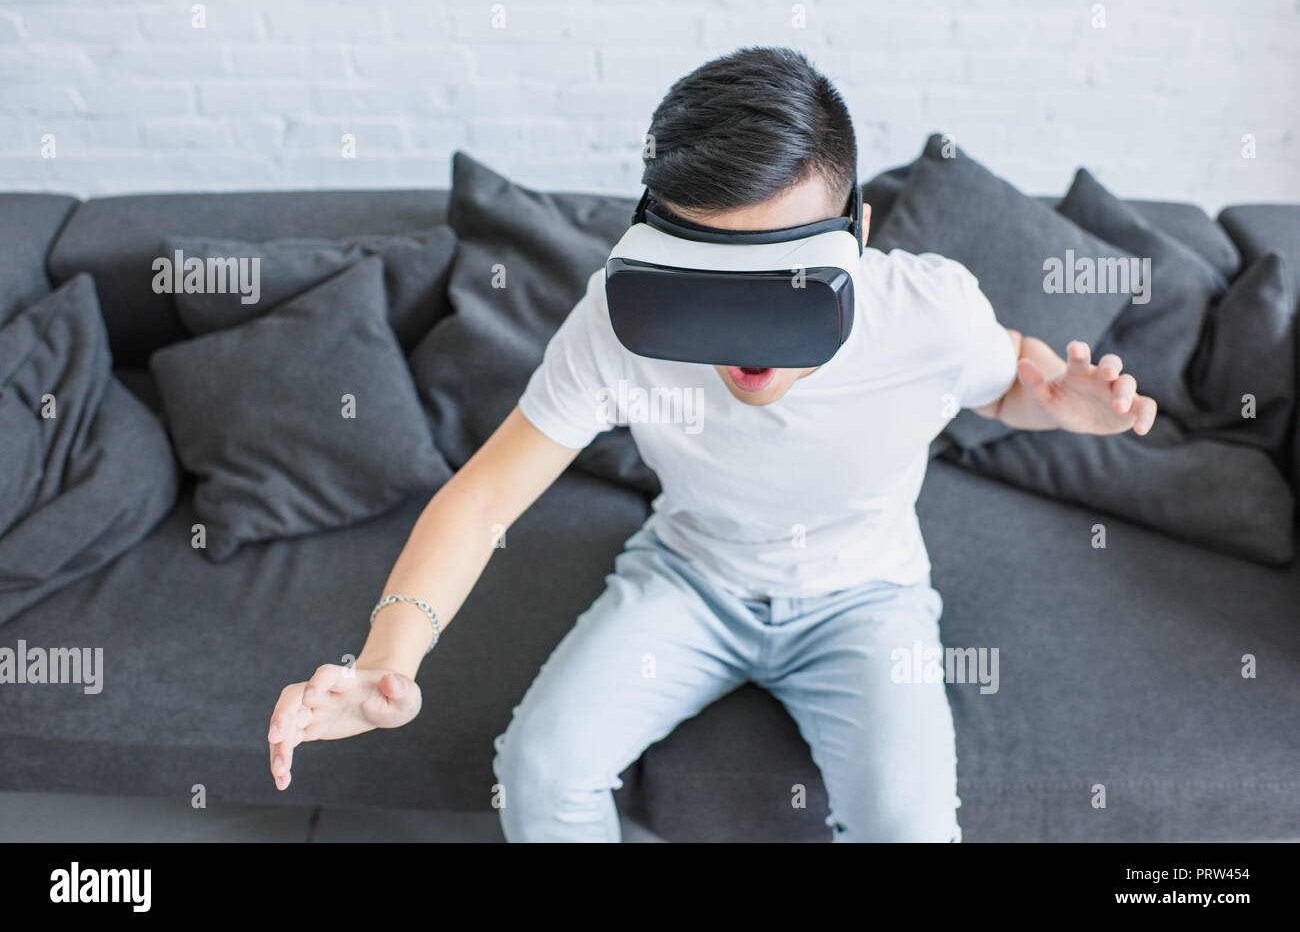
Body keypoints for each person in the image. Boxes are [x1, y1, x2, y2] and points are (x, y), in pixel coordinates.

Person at [267, 47, 1157, 842]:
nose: (747, 339)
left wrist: (1064, 407)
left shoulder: (926, 311)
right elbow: (485, 496)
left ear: (859, 236)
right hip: (690, 576)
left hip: (866, 596)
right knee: (537, 776)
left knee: (910, 828)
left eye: (784, 281)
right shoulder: (618, 324)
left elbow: (1011, 378)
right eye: (712, 281)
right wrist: (386, 663)